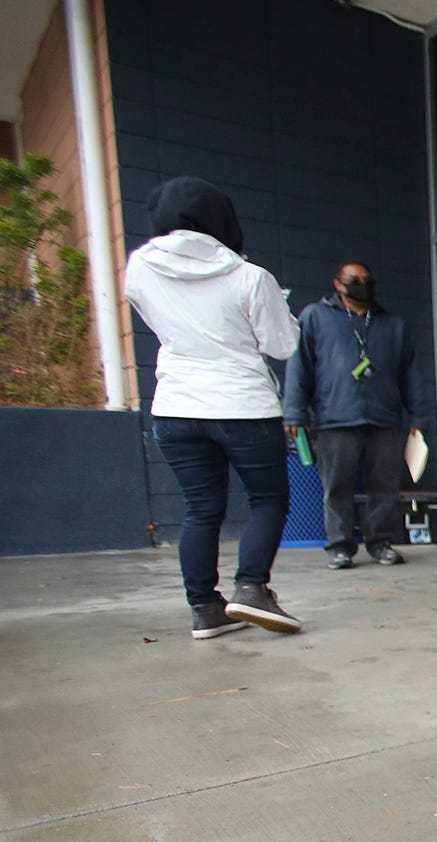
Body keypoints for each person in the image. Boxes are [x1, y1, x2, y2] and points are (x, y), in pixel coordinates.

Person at [127, 177, 303, 638]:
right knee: (268, 499)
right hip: (242, 403)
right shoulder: (250, 277)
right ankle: (252, 589)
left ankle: (205, 608)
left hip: (176, 405)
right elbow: (282, 345)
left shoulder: (140, 267)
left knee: (200, 507)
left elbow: (157, 320)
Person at [284, 261, 427, 568]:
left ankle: (381, 542)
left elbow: (410, 374)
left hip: (384, 417)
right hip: (335, 416)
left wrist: (417, 417)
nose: (362, 285)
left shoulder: (393, 324)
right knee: (338, 486)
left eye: (366, 279)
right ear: (338, 284)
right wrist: (294, 413)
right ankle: (340, 546)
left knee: (385, 487)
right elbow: (299, 367)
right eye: (354, 280)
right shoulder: (316, 317)